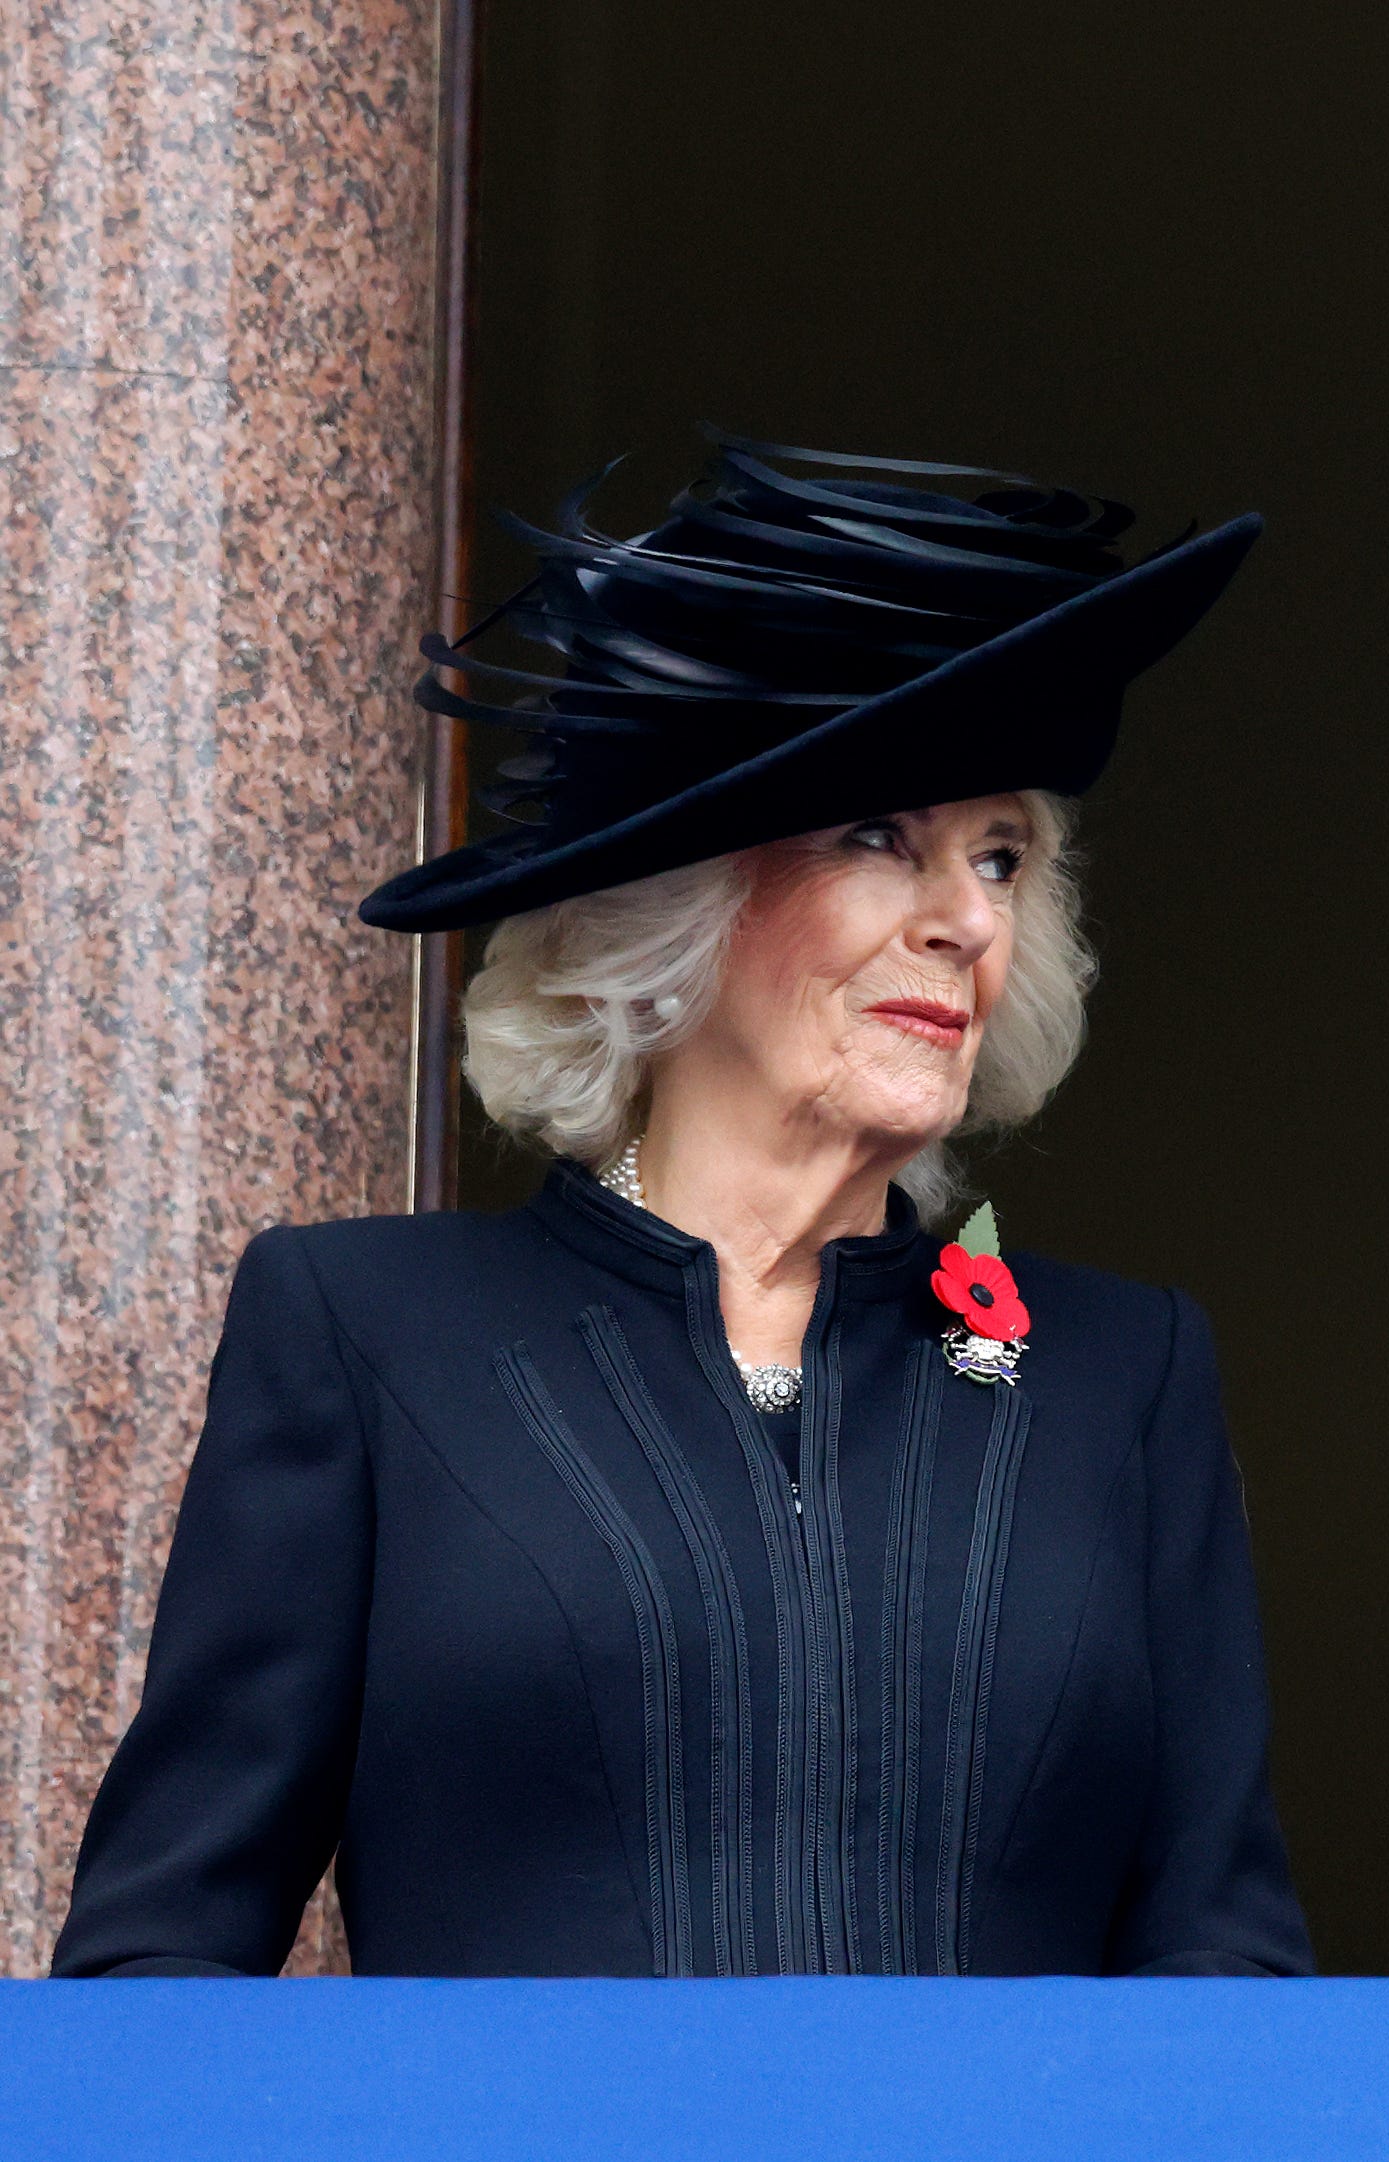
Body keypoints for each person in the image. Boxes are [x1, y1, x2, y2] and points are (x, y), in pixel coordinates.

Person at [54, 438, 1312, 1978]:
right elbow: (163, 1957)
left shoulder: (1124, 1377)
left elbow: (1226, 1970)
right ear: (680, 899)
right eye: (883, 836)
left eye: (1001, 857)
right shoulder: (371, 1337)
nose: (970, 918)